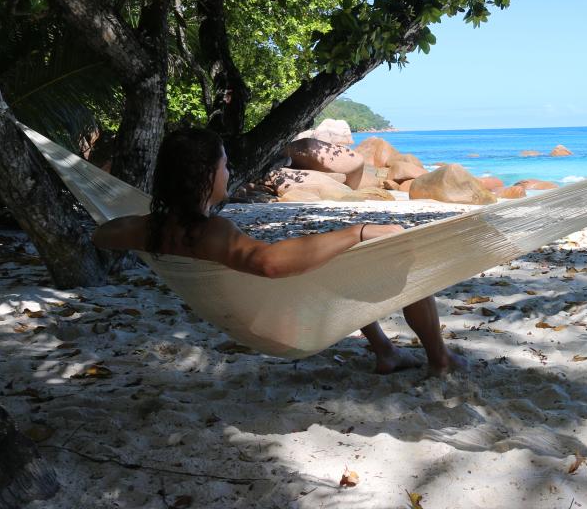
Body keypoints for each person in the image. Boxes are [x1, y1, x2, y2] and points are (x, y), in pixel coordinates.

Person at [93, 127, 463, 376]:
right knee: (399, 256)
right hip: (278, 323)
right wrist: (359, 231)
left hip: (247, 314)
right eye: (224, 164)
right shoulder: (213, 233)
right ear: (205, 174)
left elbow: (103, 234)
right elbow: (268, 264)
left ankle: (386, 351)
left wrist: (150, 225)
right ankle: (440, 358)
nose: (229, 171)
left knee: (343, 263)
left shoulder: (150, 228)